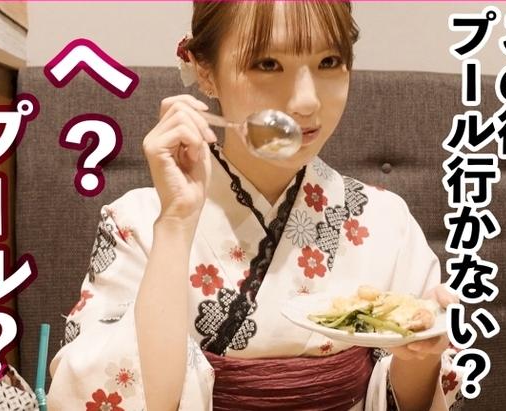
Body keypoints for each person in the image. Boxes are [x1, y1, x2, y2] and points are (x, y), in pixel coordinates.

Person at [48, 2, 465, 410]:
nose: (307, 101)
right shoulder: (136, 224)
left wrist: (421, 355)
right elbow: (120, 398)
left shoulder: (386, 222)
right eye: (268, 64)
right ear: (205, 72)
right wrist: (176, 222)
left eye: (329, 61)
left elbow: (409, 400)